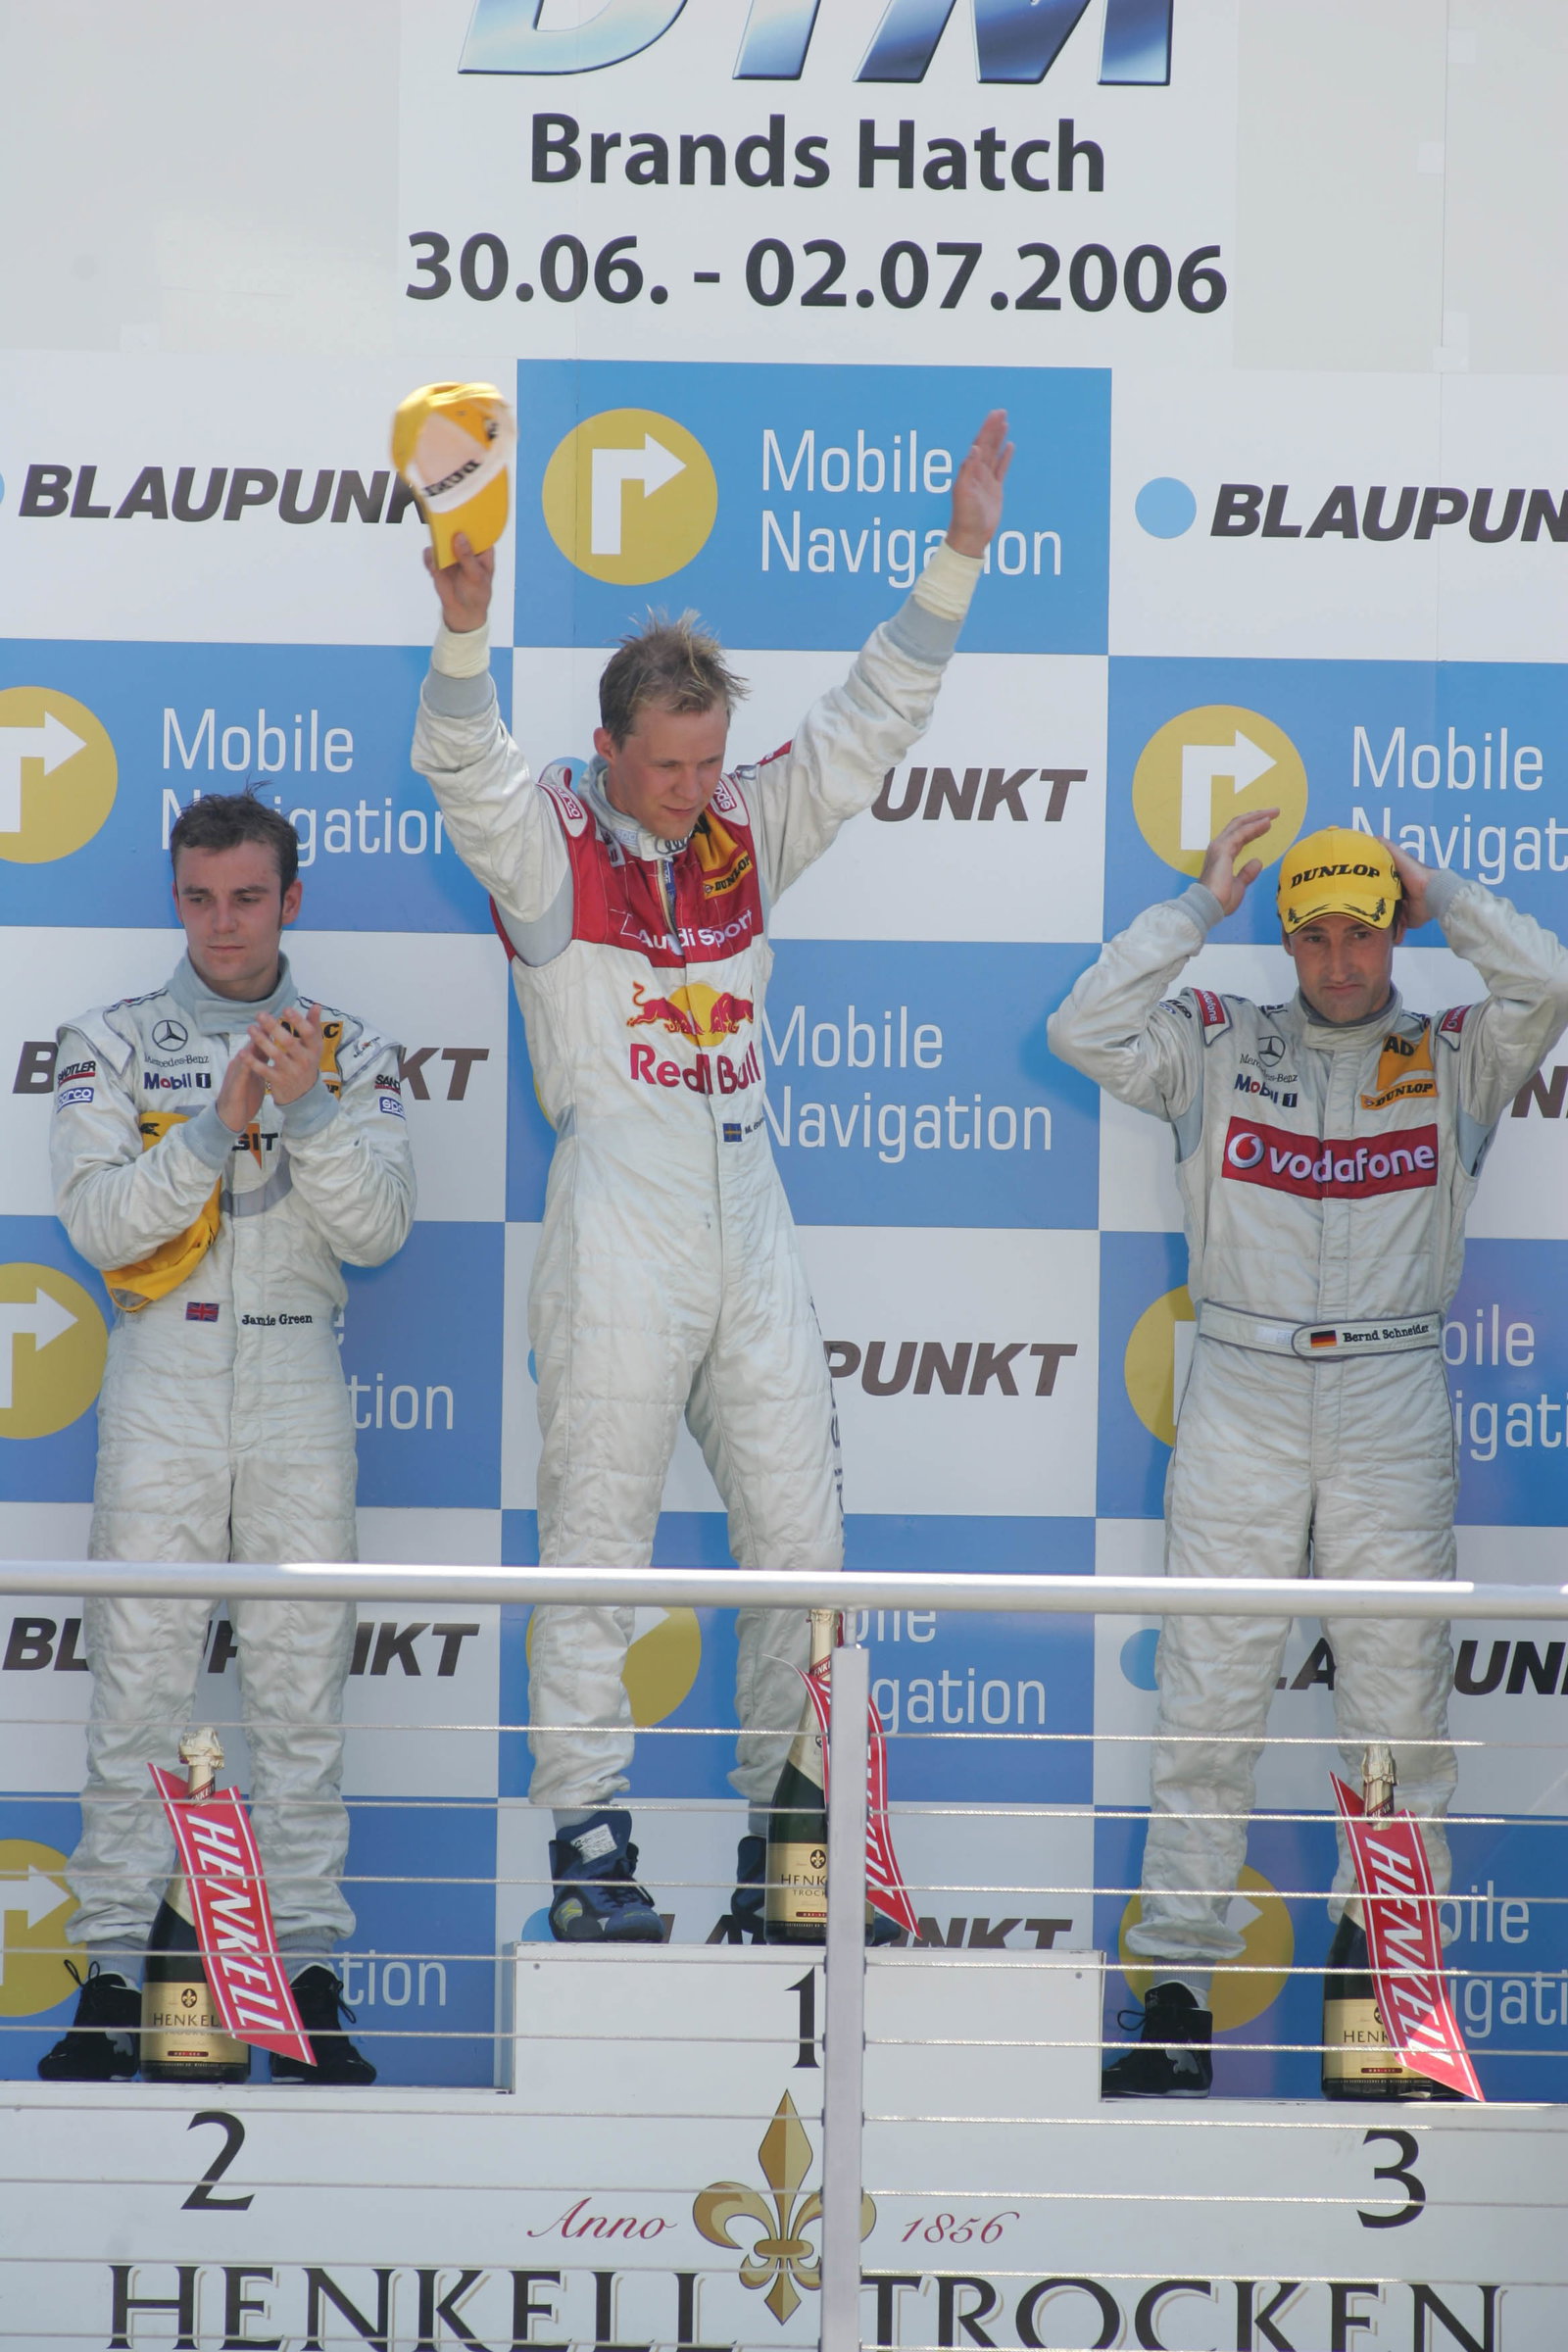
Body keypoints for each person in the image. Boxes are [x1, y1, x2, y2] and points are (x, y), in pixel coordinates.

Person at [411, 414, 1012, 1941]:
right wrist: (465, 632)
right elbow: (462, 768)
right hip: (617, 1211)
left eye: (705, 760)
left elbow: (873, 722)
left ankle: (790, 1859)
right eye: (665, 765)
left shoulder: (748, 823)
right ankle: (593, 1862)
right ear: (610, 745)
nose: (689, 789)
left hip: (755, 1211)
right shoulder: (549, 843)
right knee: (594, 1543)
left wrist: (956, 561)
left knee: (806, 1554)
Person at [1050, 817, 1568, 2096]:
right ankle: (1171, 2001)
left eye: (1366, 930)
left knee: (1396, 1716)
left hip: (1392, 1386)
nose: (1341, 961)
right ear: (1285, 938)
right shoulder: (1221, 1038)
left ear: (1399, 931)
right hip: (1243, 1383)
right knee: (1211, 1701)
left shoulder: (1457, 1050)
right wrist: (1193, 907)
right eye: (1317, 934)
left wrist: (1444, 888)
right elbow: (1082, 1030)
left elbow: (1549, 982)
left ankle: (1381, 2005)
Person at [38, 792, 416, 2084]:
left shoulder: (353, 1051)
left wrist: (304, 1109)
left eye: (248, 897)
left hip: (299, 1382)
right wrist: (214, 1121)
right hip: (165, 1384)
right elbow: (102, 1228)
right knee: (136, 1688)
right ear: (176, 896)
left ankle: (305, 1984)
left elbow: (379, 1232)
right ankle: (104, 1983)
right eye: (199, 897)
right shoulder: (111, 1043)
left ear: (292, 900)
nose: (223, 924)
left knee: (300, 1696)